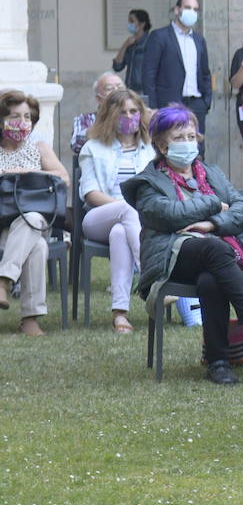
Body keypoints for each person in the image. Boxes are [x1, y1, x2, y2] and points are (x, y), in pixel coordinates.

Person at [124, 105, 243, 383]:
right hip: (172, 258)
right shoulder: (147, 182)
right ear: (162, 146)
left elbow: (239, 209)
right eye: (179, 138)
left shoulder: (211, 173)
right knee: (215, 249)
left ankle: (219, 362)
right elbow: (170, 214)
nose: (188, 143)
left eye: (190, 136)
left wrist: (212, 225)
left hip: (217, 257)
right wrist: (213, 204)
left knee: (211, 279)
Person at [78, 89, 156, 334]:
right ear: (110, 115)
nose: (129, 116)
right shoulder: (93, 147)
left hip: (135, 222)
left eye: (134, 111)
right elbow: (90, 192)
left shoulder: (150, 149)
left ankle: (119, 314)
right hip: (98, 216)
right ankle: (151, 277)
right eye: (122, 112)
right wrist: (124, 207)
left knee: (120, 233)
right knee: (126, 210)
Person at [0, 89, 68, 336]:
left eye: (28, 117)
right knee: (37, 246)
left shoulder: (39, 148)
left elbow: (63, 178)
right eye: (15, 116)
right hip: (2, 225)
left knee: (32, 219)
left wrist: (27, 174)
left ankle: (3, 280)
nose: (23, 122)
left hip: (34, 220)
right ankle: (30, 318)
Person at [140, 0, 212, 132]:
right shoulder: (159, 36)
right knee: (168, 144)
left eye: (195, 9)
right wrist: (154, 107)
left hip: (196, 104)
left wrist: (206, 102)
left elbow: (205, 73)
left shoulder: (199, 40)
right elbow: (149, 74)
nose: (192, 12)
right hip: (169, 104)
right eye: (187, 8)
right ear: (177, 10)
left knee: (197, 147)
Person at [71, 72, 126, 155]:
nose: (116, 91)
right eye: (109, 88)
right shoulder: (85, 119)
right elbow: (76, 145)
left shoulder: (137, 115)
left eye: (120, 87)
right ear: (99, 98)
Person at [112, 9, 151, 95]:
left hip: (145, 90)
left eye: (132, 21)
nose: (129, 24)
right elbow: (117, 66)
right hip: (130, 89)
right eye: (129, 21)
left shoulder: (151, 42)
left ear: (142, 24)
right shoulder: (130, 44)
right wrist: (125, 45)